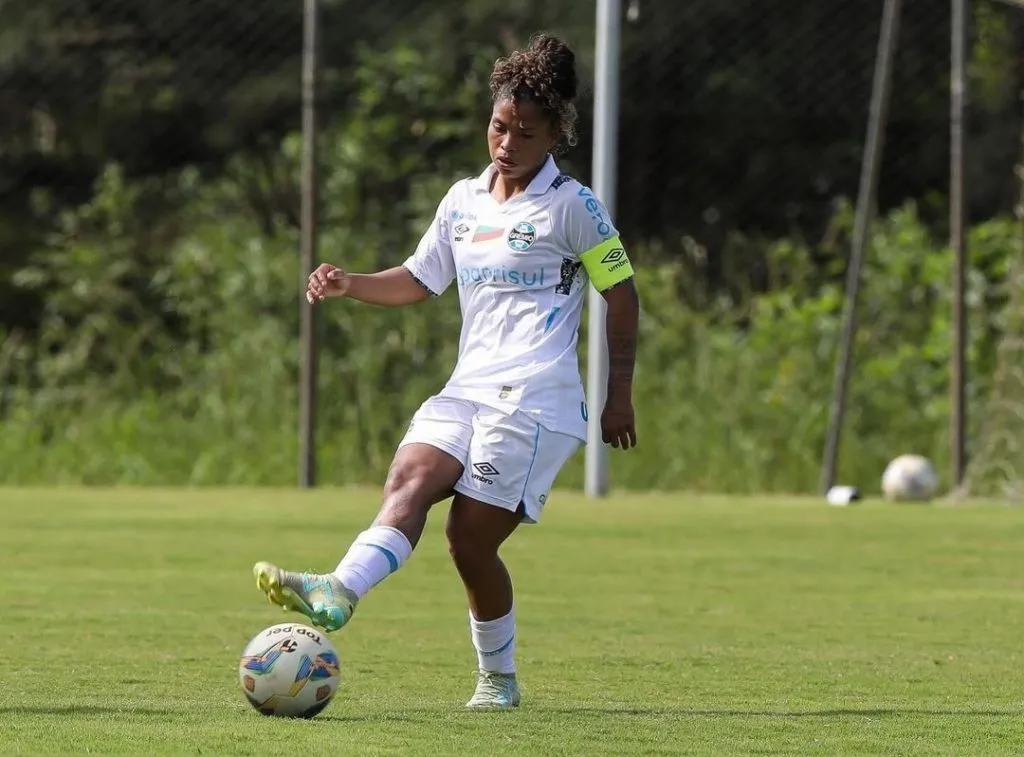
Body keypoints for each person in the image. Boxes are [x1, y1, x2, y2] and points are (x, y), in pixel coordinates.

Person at [252, 32, 640, 711]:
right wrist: (349, 283)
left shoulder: (572, 207)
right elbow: (418, 280)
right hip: (467, 391)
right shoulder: (463, 200)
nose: (507, 142)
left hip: (535, 404)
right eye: (498, 125)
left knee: (468, 539)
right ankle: (337, 589)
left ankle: (499, 678)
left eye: (525, 132)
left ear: (556, 133)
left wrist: (619, 396)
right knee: (409, 477)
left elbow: (624, 292)